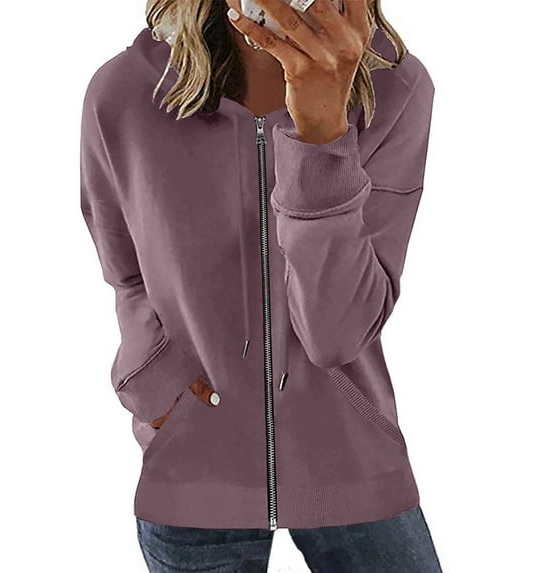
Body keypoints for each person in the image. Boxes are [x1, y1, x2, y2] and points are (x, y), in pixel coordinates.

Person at [79, 0, 441, 570]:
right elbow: (126, 272)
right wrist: (158, 387)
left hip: (351, 455)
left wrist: (322, 138)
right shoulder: (125, 92)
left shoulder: (396, 89)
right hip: (195, 462)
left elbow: (336, 333)